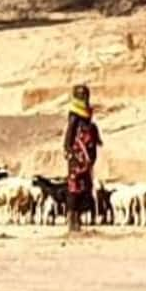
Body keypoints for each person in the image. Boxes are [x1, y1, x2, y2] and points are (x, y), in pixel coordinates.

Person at [63, 84, 102, 232]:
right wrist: (68, 150)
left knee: (84, 187)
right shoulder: (74, 116)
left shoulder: (88, 119)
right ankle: (72, 219)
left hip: (85, 160)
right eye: (82, 95)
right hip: (77, 158)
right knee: (74, 188)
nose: (85, 98)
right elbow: (69, 135)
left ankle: (78, 218)